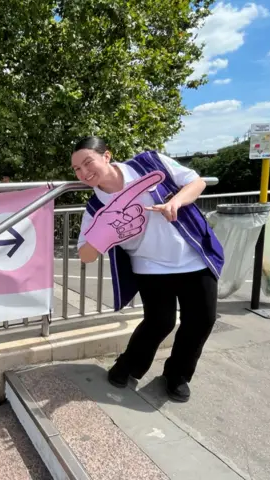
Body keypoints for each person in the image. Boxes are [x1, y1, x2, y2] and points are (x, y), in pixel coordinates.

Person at [72, 136, 224, 402]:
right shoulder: (96, 206)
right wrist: (102, 234)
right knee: (159, 321)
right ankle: (128, 366)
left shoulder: (149, 163)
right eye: (77, 170)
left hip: (191, 255)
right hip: (149, 266)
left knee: (201, 320)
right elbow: (85, 255)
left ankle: (177, 375)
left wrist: (175, 202)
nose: (84, 173)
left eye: (88, 163)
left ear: (106, 156)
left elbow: (196, 181)